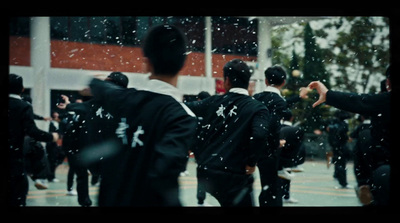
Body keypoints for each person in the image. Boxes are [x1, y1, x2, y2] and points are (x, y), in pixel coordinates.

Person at [87, 24, 197, 206]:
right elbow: (163, 175)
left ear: (146, 62)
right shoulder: (182, 117)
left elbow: (101, 88)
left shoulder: (121, 99)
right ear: (183, 63)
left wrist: (93, 83)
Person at [185, 59, 270, 207]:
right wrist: (252, 162)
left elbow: (183, 110)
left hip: (207, 170)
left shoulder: (212, 102)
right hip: (234, 174)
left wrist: (197, 149)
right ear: (248, 81)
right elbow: (259, 135)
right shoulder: (258, 108)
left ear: (227, 80)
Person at [307, 65, 391, 205]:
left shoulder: (382, 103)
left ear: (388, 83)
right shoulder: (346, 124)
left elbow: (360, 102)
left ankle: (364, 183)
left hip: (381, 168)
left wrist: (328, 95)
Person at [253, 66, 308, 206]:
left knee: (266, 185)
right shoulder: (279, 101)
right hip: (270, 148)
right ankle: (288, 163)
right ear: (283, 82)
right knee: (272, 188)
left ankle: (284, 166)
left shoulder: (255, 98)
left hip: (253, 145)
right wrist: (277, 141)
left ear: (265, 80)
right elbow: (274, 124)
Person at [8, 73, 59, 206]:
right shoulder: (23, 106)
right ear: (22, 89)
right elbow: (32, 131)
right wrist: (51, 137)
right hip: (13, 159)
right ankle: (39, 177)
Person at [279, 112, 305, 204]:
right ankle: (286, 196)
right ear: (292, 118)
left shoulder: (277, 127)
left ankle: (277, 196)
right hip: (288, 159)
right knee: (286, 179)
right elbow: (300, 147)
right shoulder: (295, 130)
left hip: (276, 158)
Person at [325, 110, 352, 189]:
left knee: (338, 162)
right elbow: (342, 134)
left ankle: (337, 175)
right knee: (342, 163)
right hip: (341, 145)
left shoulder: (333, 124)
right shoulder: (343, 124)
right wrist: (346, 138)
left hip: (335, 145)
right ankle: (343, 182)